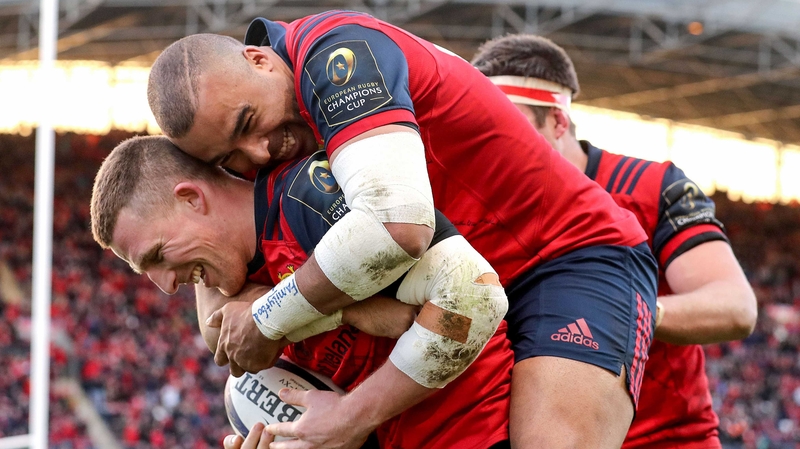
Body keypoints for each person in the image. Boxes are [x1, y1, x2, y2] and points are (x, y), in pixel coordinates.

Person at [146, 11, 659, 449]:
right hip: (467, 287)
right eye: (228, 158)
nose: (258, 154)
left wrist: (270, 319)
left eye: (247, 123)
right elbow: (219, 323)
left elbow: (396, 228)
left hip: (569, 256)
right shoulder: (260, 126)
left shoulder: (337, 52)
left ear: (259, 60)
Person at [90, 135, 513, 449]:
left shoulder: (310, 201)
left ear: (191, 199)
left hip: (477, 434)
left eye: (158, 255)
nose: (166, 287)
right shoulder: (240, 297)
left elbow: (469, 303)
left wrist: (350, 416)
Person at [471, 33, 758, 449]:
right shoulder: (478, 202)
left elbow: (735, 306)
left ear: (558, 122)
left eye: (509, 129)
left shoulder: (650, 186)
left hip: (663, 440)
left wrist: (622, 311)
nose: (493, 150)